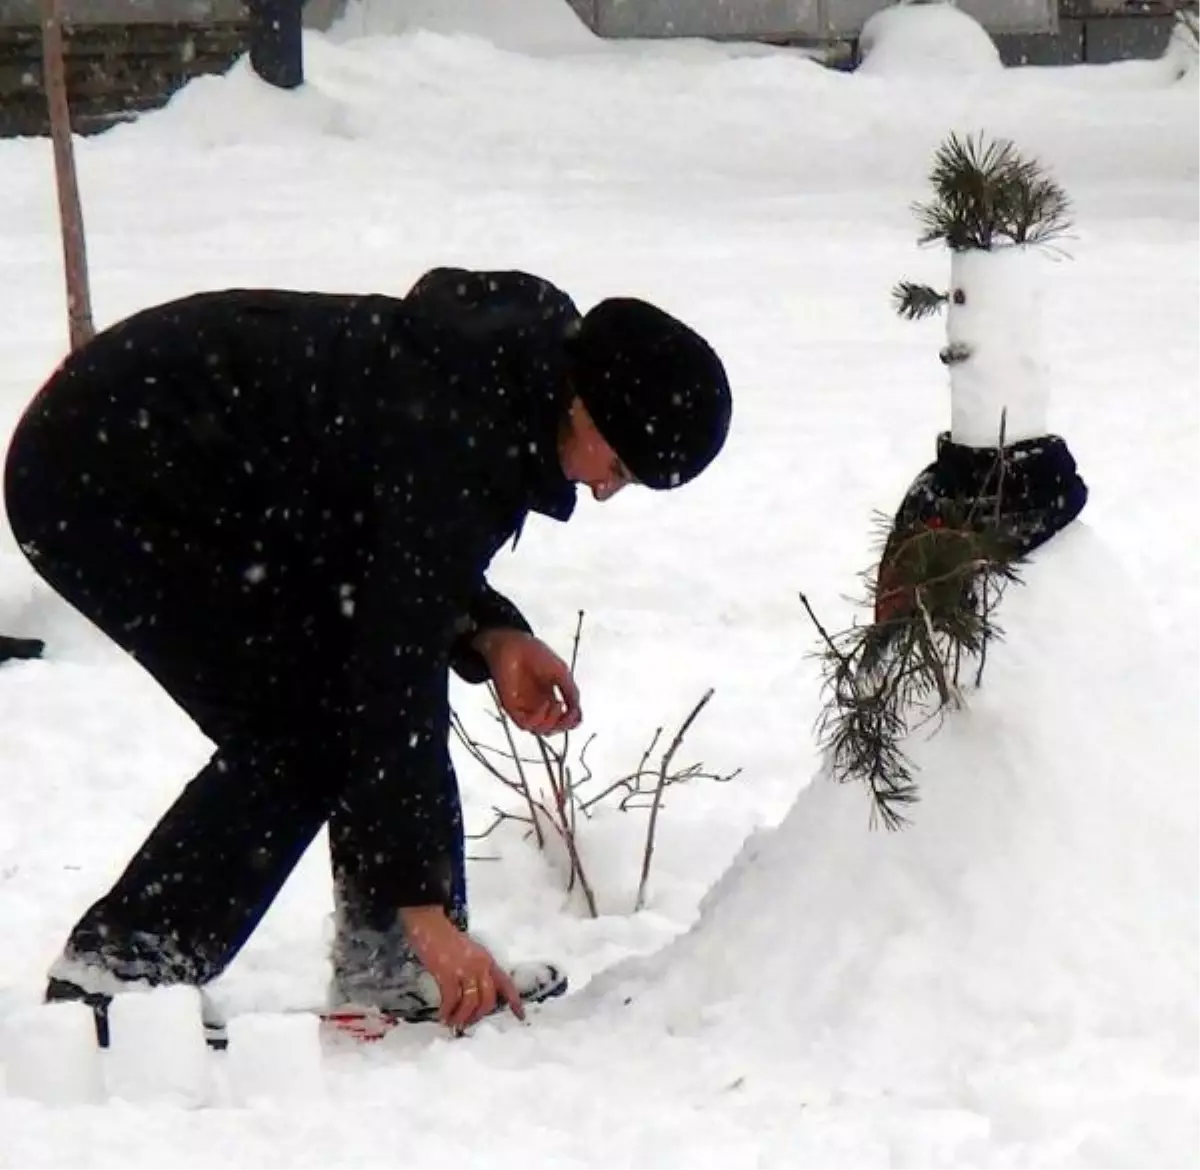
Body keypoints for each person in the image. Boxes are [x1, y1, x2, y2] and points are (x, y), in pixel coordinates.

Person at [2, 267, 732, 1045]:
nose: (605, 493)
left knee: (338, 702)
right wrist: (425, 908)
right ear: (585, 406)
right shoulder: (460, 427)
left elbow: (394, 557)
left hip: (204, 473)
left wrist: (493, 632)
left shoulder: (505, 385)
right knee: (300, 730)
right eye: (618, 467)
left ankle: (387, 964)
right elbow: (394, 664)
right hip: (108, 473)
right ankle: (118, 975)